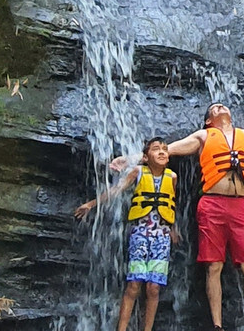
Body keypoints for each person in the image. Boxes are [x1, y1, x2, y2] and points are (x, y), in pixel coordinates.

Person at [112, 103, 244, 331]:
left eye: (223, 106)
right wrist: (130, 159)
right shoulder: (203, 136)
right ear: (208, 121)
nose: (220, 107)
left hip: (241, 205)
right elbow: (167, 150)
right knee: (213, 265)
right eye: (214, 108)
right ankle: (217, 325)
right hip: (211, 204)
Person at [75, 137, 181, 331]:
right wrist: (91, 205)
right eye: (156, 149)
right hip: (141, 234)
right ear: (145, 157)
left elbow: (171, 203)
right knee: (134, 284)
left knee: (154, 287)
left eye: (165, 149)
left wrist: (173, 229)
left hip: (162, 236)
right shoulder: (138, 171)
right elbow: (116, 190)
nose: (162, 152)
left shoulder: (172, 177)